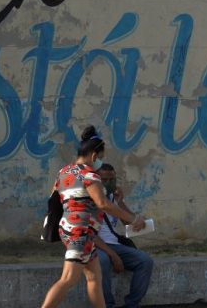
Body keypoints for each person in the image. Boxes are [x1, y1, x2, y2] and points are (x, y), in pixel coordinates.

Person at [42, 127, 145, 308]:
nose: (101, 161)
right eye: (101, 157)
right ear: (94, 156)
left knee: (94, 278)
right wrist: (133, 219)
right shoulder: (90, 176)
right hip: (81, 233)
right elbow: (104, 204)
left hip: (71, 229)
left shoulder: (64, 172)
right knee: (67, 279)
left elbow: (54, 199)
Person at [94, 163, 154, 308]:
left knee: (145, 261)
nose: (108, 183)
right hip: (96, 245)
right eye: (104, 180)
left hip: (114, 244)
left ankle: (132, 304)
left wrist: (120, 202)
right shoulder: (92, 200)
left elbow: (131, 224)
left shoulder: (113, 197)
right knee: (103, 262)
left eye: (111, 180)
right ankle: (107, 305)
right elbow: (90, 235)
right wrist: (113, 256)